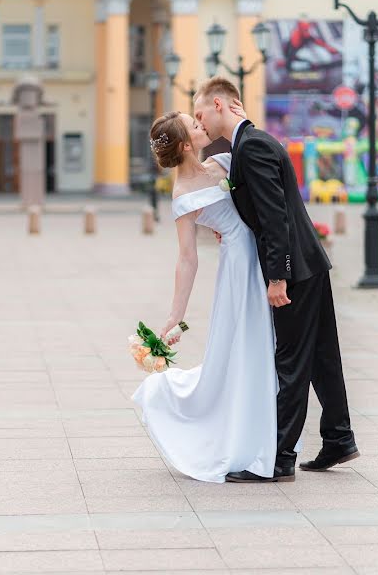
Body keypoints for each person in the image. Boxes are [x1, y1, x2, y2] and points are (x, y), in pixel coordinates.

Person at [194, 77, 359, 482]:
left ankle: (278, 457)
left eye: (201, 114)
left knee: (290, 360)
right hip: (309, 264)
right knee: (321, 356)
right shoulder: (253, 144)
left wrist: (277, 278)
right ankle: (339, 439)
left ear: (220, 104)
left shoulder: (252, 147)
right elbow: (264, 210)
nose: (200, 122)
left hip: (296, 272)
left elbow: (276, 219)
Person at [131, 102, 299, 483]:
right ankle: (246, 439)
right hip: (239, 269)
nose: (202, 124)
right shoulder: (183, 196)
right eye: (194, 124)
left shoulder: (223, 163)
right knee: (247, 347)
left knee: (261, 348)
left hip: (259, 254)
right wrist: (175, 316)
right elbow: (187, 259)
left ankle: (269, 437)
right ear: (187, 145)